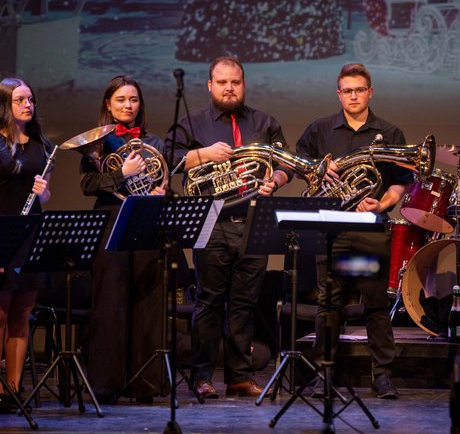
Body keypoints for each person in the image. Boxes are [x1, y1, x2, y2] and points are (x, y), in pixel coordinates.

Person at [168, 56, 291, 398]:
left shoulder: (265, 122)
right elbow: (167, 159)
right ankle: (202, 376)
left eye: (235, 82)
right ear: (210, 86)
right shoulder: (192, 123)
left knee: (244, 302)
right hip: (212, 221)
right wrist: (204, 155)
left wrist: (275, 179)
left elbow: (285, 164)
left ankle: (238, 376)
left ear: (243, 84)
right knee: (209, 302)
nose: (229, 88)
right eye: (221, 82)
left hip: (253, 221)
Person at [296, 63, 413, 399]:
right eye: (347, 91)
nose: (353, 96)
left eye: (359, 90)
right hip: (331, 230)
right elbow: (300, 164)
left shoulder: (390, 133)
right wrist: (319, 168)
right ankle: (325, 374)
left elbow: (401, 183)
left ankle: (383, 376)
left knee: (375, 303)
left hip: (369, 231)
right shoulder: (320, 130)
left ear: (370, 91)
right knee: (329, 304)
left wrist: (383, 203)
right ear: (339, 94)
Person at [0, 77, 53, 412]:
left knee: (22, 315)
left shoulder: (39, 144)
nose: (28, 105)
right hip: (0, 235)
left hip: (31, 234)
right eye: (20, 100)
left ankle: (15, 389)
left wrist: (43, 191)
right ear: (4, 104)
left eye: (31, 99)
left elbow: (44, 196)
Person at [82, 75, 167, 404]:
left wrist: (160, 192)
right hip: (110, 222)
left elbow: (160, 178)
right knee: (112, 302)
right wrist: (122, 174)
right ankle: (107, 385)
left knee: (147, 301)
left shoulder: (155, 142)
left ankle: (145, 384)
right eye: (120, 100)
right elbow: (88, 185)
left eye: (133, 100)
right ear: (108, 104)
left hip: (145, 221)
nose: (128, 105)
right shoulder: (96, 143)